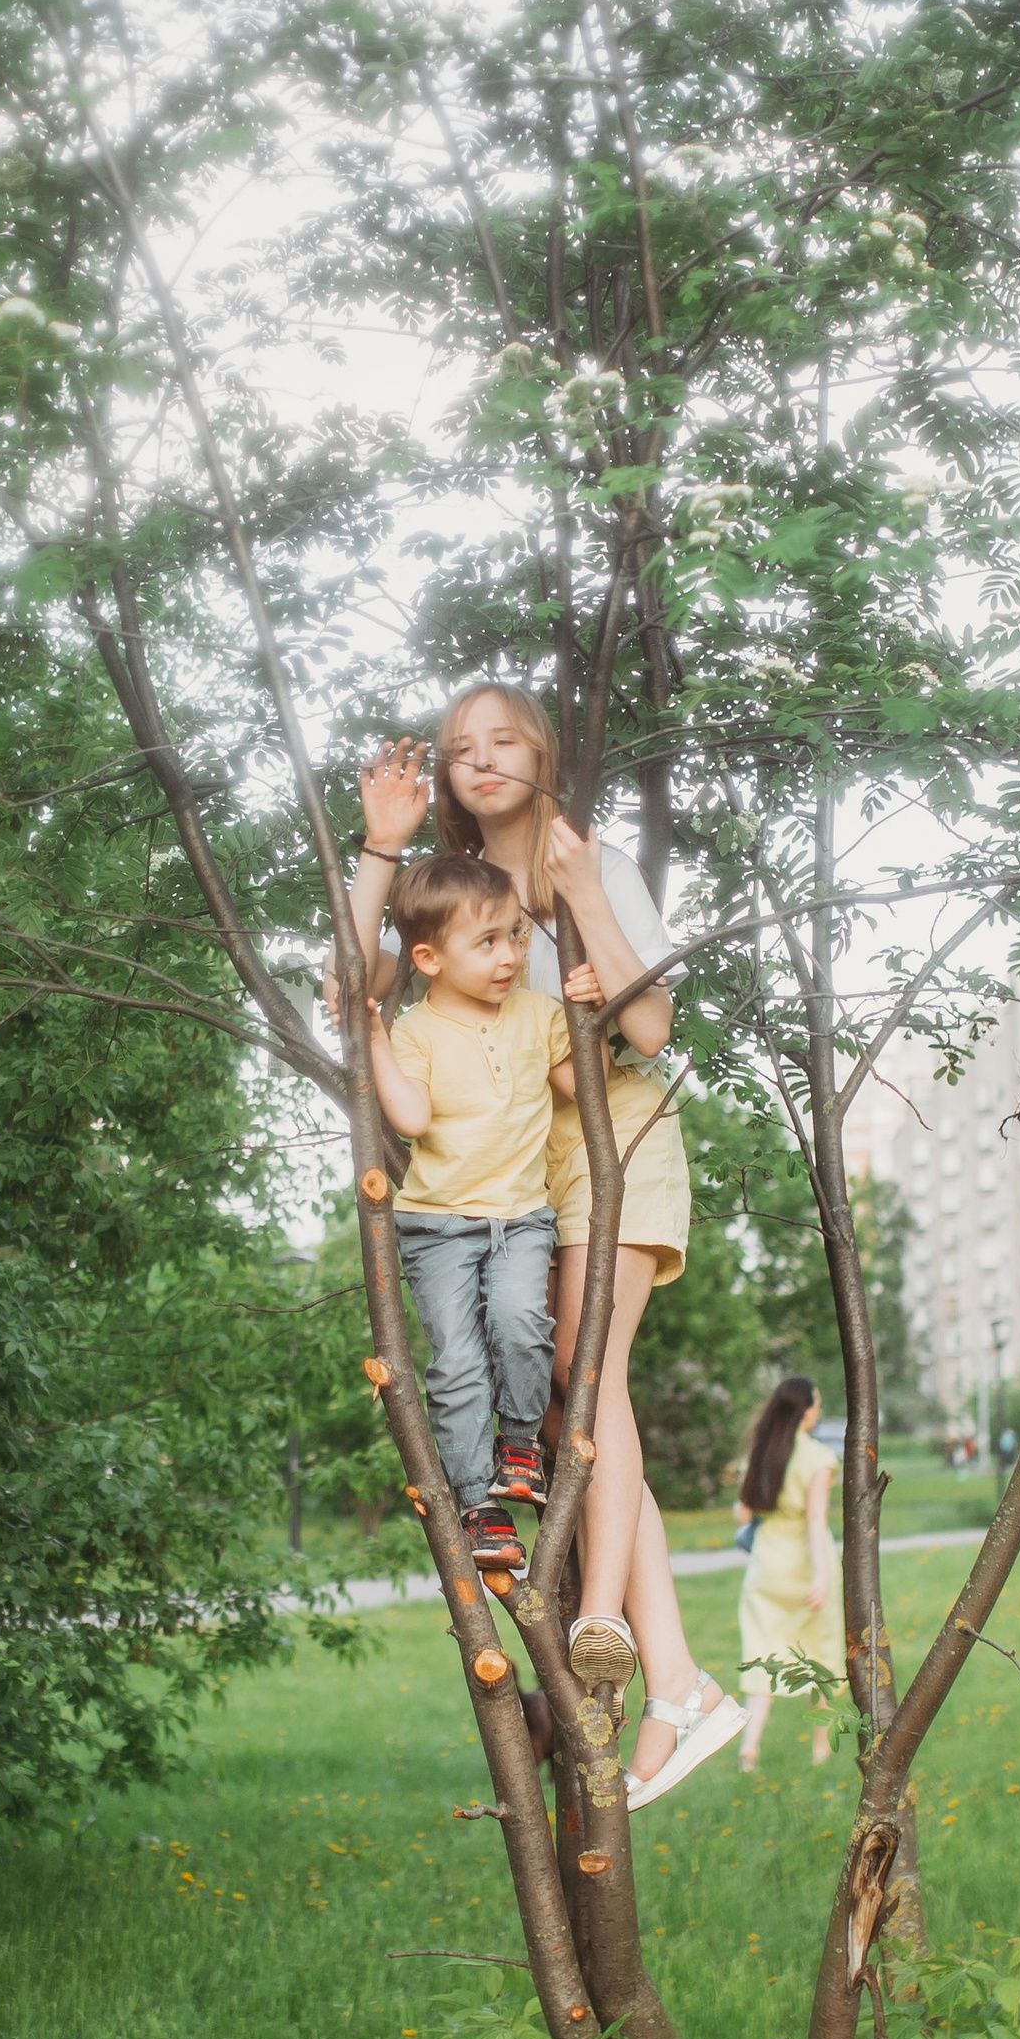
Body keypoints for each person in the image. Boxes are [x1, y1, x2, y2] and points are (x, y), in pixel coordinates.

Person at [348, 685, 743, 1803]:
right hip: (512, 1170)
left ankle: (608, 1622)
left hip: (613, 1135)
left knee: (585, 1378)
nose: (479, 761)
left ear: (544, 754)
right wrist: (379, 850)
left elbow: (650, 1028)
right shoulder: (446, 891)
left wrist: (578, 893)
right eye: (458, 748)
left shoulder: (591, 861)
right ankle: (674, 1680)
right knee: (575, 1379)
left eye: (503, 741)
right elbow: (352, 986)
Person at [363, 851, 581, 1575]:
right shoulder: (417, 1032)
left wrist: (590, 1008)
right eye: (487, 942)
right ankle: (474, 1500)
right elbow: (411, 1116)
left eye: (515, 936)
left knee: (521, 1322)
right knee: (457, 1364)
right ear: (427, 957)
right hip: (439, 1229)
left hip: (521, 1216)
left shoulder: (537, 1013)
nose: (510, 955)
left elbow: (582, 1085)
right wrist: (370, 1040)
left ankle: (520, 1443)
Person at [733, 1375, 848, 1773]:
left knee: (763, 1653)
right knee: (822, 1656)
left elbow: (742, 1513)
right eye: (816, 1403)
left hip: (765, 1567)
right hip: (802, 1566)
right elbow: (815, 1521)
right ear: (806, 1410)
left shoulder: (761, 1453)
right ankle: (820, 1750)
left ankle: (750, 1748)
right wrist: (820, 1576)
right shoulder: (818, 1458)